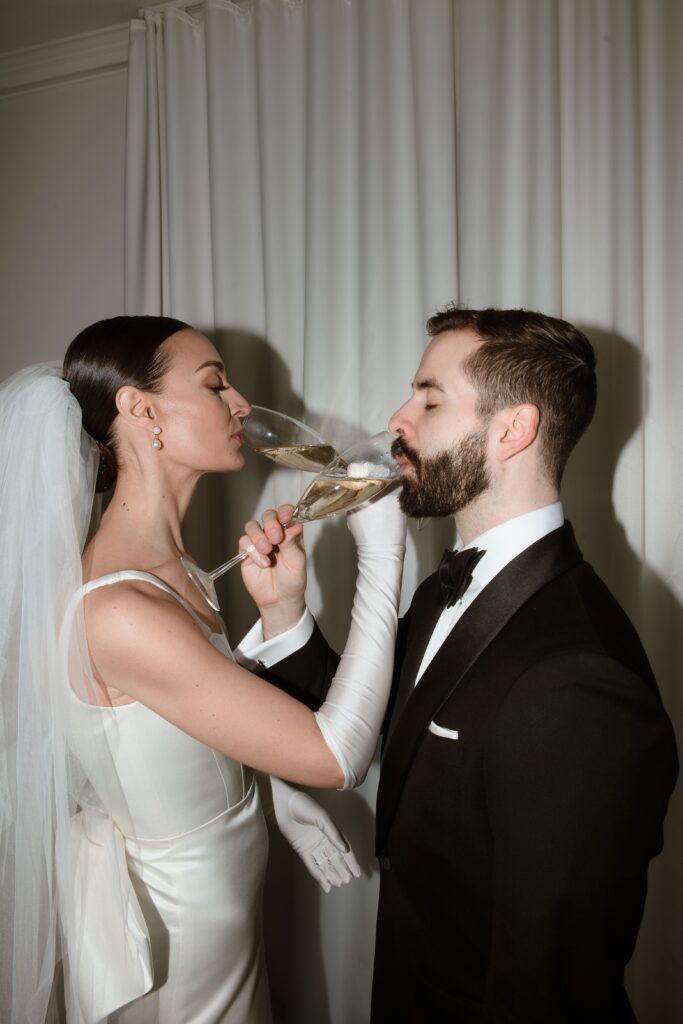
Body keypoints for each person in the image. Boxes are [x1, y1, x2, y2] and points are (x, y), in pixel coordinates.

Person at [240, 306, 678, 1022]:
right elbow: (370, 720)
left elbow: (548, 986)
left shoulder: (579, 678)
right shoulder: (451, 589)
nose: (397, 419)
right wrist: (285, 612)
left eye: (430, 399)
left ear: (513, 430)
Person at [0, 316, 406, 1024]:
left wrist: (280, 614)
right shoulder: (118, 609)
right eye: (216, 385)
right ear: (140, 409)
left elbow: (182, 720)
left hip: (224, 918)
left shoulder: (178, 569)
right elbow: (339, 757)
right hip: (178, 944)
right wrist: (382, 556)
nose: (241, 404)